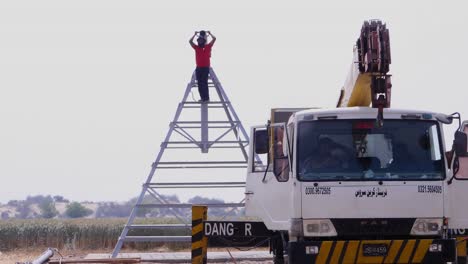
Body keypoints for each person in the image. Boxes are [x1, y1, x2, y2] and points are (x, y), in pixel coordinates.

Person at [189, 30, 216, 102]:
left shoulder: (208, 46)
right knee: (199, 83)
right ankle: (202, 98)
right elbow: (190, 41)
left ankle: (206, 98)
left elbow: (214, 39)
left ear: (204, 41)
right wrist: (194, 35)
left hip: (205, 68)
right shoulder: (196, 48)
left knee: (204, 83)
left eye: (201, 40)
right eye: (199, 40)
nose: (200, 42)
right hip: (198, 68)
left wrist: (210, 34)